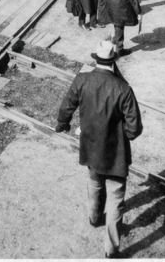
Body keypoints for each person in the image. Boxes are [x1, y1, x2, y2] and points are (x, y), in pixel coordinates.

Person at [54, 40, 142, 259]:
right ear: (114, 61)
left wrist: (62, 124)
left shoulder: (82, 80)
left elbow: (66, 107)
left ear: (96, 59)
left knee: (94, 182)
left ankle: (94, 218)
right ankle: (111, 250)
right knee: (115, 196)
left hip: (91, 148)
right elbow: (134, 129)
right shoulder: (123, 88)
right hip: (116, 156)